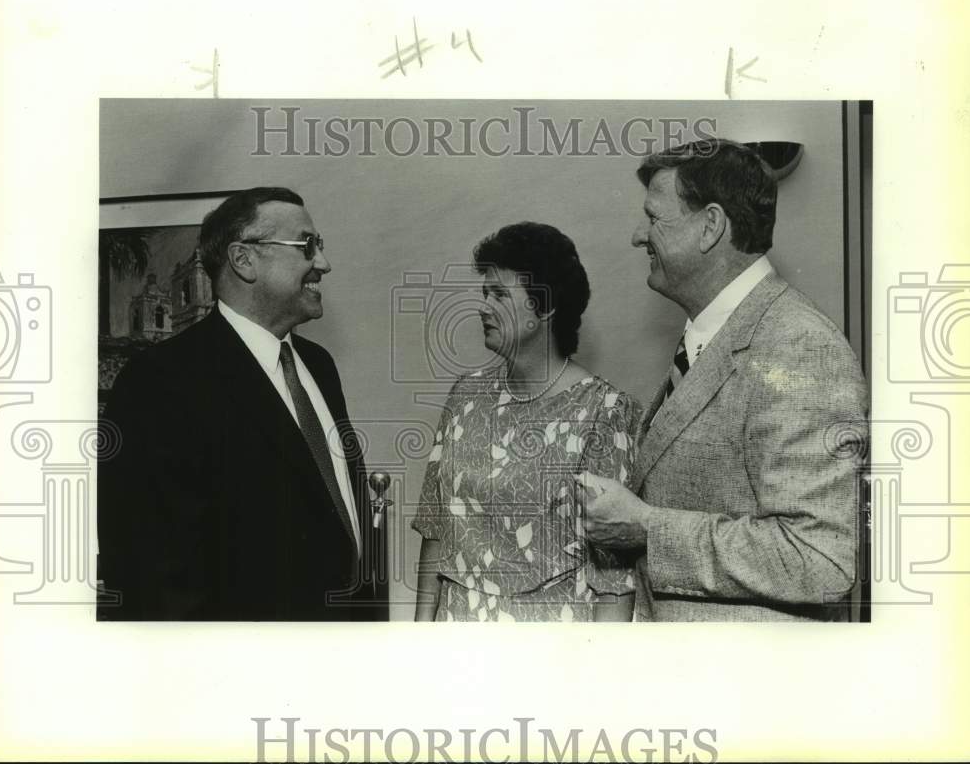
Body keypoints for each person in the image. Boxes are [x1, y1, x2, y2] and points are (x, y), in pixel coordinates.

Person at [579, 138, 868, 621]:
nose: (637, 235)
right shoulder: (715, 334)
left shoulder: (798, 344)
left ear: (710, 226)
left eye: (654, 218)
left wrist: (648, 528)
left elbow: (821, 558)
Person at [98, 187, 384, 620]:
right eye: (307, 246)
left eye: (319, 247)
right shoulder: (160, 382)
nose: (323, 264)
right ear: (244, 259)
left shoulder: (319, 366)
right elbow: (151, 577)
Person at [413, 222, 642, 622]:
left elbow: (613, 579)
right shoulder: (466, 396)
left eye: (500, 295)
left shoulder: (604, 411)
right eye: (485, 293)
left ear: (546, 305)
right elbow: (435, 529)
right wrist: (419, 637)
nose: (484, 307)